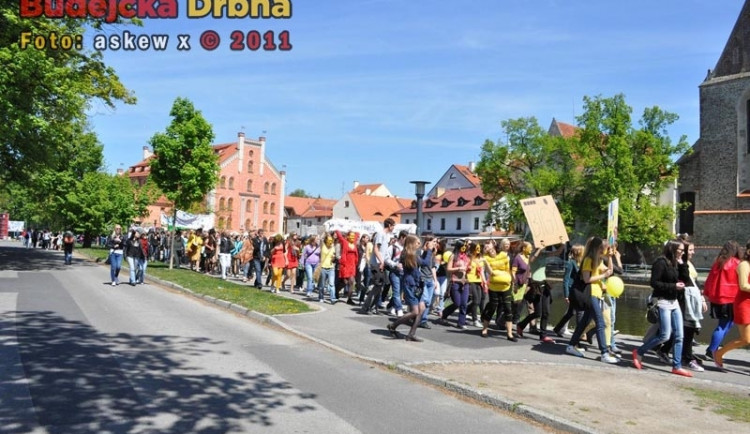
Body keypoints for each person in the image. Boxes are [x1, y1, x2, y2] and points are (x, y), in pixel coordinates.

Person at [632, 240, 692, 376]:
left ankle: (676, 366)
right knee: (665, 335)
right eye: (680, 250)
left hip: (674, 301)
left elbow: (686, 280)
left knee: (679, 336)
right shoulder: (661, 262)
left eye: (683, 251)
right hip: (662, 301)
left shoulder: (677, 263)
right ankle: (639, 352)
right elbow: (654, 283)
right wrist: (673, 286)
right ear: (672, 249)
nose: (682, 253)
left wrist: (683, 264)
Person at [565, 237, 619, 364]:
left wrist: (610, 257)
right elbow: (586, 279)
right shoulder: (588, 260)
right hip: (590, 295)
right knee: (600, 323)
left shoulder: (598, 260)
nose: (604, 249)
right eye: (602, 247)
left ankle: (571, 346)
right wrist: (603, 276)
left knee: (584, 322)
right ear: (597, 248)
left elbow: (609, 271)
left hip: (597, 294)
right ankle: (604, 353)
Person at [387, 235, 434, 342]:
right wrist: (429, 250)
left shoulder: (411, 254)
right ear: (412, 243)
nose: (419, 244)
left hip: (416, 284)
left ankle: (411, 334)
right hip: (410, 285)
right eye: (417, 242)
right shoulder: (407, 254)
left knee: (421, 309)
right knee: (414, 311)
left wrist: (426, 251)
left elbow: (421, 261)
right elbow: (425, 263)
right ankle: (393, 325)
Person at [714, 240, 750, 371]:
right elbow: (743, 285)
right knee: (746, 339)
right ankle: (718, 353)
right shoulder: (744, 265)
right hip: (744, 305)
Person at [517, 241, 562, 343]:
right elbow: (532, 261)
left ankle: (543, 335)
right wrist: (539, 250)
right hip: (535, 285)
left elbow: (557, 252)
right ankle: (521, 325)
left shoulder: (544, 255)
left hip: (544, 284)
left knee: (546, 312)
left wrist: (563, 244)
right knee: (538, 312)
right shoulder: (532, 255)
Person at [704, 241, 741, 360]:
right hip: (731, 298)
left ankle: (713, 348)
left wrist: (707, 294)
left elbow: (710, 279)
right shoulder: (737, 263)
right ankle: (711, 350)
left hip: (718, 298)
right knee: (724, 325)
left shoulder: (718, 262)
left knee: (725, 324)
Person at [481, 239, 518, 341]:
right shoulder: (486, 258)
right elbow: (491, 272)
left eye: (493, 250)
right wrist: (485, 262)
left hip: (506, 286)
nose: (491, 252)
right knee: (492, 307)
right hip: (494, 287)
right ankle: (485, 329)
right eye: (489, 250)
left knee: (508, 309)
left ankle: (509, 334)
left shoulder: (503, 256)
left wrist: (512, 282)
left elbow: (508, 270)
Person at [361, 218, 396, 314]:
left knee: (380, 287)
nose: (393, 228)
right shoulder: (380, 234)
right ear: (389, 225)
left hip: (381, 263)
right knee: (377, 286)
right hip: (376, 264)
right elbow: (376, 249)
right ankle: (366, 307)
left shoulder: (386, 235)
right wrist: (381, 262)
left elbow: (383, 252)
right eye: (393, 225)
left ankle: (374, 308)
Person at [553, 244, 585, 337]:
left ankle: (558, 328)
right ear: (579, 252)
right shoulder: (571, 263)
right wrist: (566, 294)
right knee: (578, 311)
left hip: (579, 290)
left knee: (571, 312)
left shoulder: (581, 263)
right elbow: (566, 279)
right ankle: (579, 334)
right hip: (572, 291)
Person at [439, 240, 470, 329]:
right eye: (463, 246)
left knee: (464, 303)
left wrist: (469, 269)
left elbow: (468, 267)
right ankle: (444, 313)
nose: (465, 247)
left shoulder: (467, 256)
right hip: (455, 281)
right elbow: (448, 269)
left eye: (466, 246)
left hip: (465, 282)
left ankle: (461, 322)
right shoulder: (453, 256)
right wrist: (458, 268)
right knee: (457, 303)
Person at [384, 230, 408, 317]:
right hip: (394, 272)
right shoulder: (392, 247)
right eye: (406, 238)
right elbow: (386, 259)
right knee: (397, 292)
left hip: (403, 273)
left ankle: (391, 307)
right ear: (401, 237)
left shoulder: (406, 248)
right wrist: (395, 264)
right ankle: (399, 309)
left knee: (399, 291)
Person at [335, 230, 359, 305]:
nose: (352, 237)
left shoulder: (354, 243)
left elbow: (357, 234)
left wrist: (356, 229)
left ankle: (349, 298)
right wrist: (337, 229)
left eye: (353, 236)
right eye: (350, 236)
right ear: (348, 236)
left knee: (352, 282)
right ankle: (337, 290)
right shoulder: (345, 242)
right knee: (344, 282)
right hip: (345, 265)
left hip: (352, 265)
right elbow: (340, 236)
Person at [318, 234, 337, 304]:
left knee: (332, 284)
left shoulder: (333, 247)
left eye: (331, 240)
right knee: (322, 284)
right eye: (329, 240)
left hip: (331, 268)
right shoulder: (323, 246)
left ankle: (333, 298)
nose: (330, 242)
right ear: (326, 241)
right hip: (323, 267)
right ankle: (321, 297)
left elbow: (334, 256)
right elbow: (320, 239)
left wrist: (334, 258)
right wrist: (326, 232)